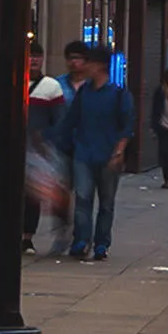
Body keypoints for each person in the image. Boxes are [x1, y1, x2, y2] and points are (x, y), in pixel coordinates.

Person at [57, 45, 136, 261]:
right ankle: (82, 240)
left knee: (106, 203)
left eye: (89, 62)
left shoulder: (119, 94)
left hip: (108, 155)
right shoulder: (84, 93)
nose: (85, 66)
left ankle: (101, 243)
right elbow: (71, 121)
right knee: (82, 199)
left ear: (100, 66)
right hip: (84, 153)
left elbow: (127, 125)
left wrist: (119, 151)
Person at [22, 72, 69, 253]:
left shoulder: (51, 86)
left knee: (35, 195)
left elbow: (59, 119)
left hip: (40, 148)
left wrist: (47, 139)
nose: (33, 60)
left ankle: (28, 237)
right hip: (21, 146)